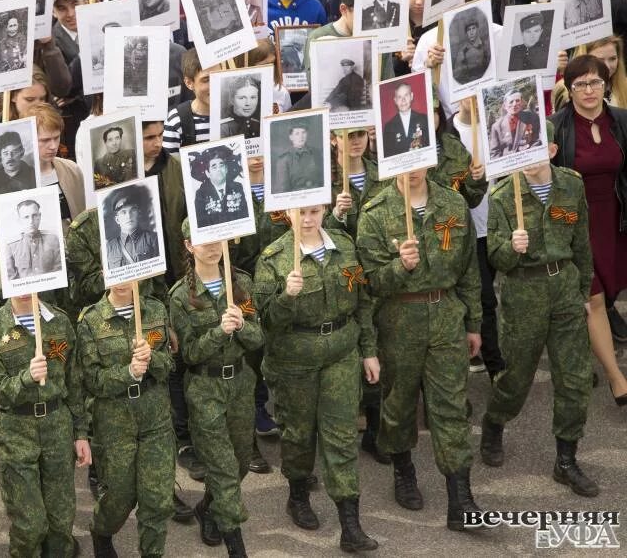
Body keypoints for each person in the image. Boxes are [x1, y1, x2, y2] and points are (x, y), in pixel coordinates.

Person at [356, 166, 483, 531]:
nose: (412, 170)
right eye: (403, 162)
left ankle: (461, 500)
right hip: (400, 319)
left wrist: (473, 323)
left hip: (445, 313)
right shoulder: (376, 211)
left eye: (419, 160)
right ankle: (403, 469)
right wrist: (399, 267)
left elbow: (469, 269)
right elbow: (369, 282)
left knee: (451, 407)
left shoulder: (453, 203)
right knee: (398, 404)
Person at [481, 123, 599, 497]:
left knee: (574, 377)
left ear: (549, 150)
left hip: (564, 285)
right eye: (521, 150)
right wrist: (509, 248)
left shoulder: (571, 186)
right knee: (516, 376)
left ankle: (566, 459)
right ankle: (495, 422)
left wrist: (582, 290)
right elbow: (495, 258)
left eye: (534, 149)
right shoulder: (503, 196)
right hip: (524, 290)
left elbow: (582, 242)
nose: (527, 159)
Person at [253, 204, 380, 551]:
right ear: (288, 214)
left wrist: (368, 350)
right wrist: (286, 297)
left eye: (314, 211)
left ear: (324, 209)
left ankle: (350, 524)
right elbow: (264, 322)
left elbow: (362, 301)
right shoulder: (273, 258)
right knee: (298, 433)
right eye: (301, 213)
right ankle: (297, 494)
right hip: (295, 360)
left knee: (341, 436)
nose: (308, 219)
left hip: (341, 352)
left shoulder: (344, 245)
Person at [168, 218, 261, 555]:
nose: (211, 246)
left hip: (240, 381)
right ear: (189, 246)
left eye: (216, 238)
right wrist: (218, 332)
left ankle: (209, 507)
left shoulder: (241, 285)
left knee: (237, 464)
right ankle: (237, 546)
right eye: (202, 239)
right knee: (222, 468)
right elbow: (188, 353)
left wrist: (240, 326)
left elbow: (258, 335)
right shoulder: (180, 297)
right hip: (205, 387)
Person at [0, 293, 91, 557]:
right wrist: (26, 377)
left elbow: (74, 382)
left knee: (61, 520)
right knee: (30, 524)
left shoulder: (59, 321)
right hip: (17, 427)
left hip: (57, 424)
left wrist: (81, 433)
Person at [549, 55, 627, 407]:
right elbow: (531, 180)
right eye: (580, 83)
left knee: (609, 293)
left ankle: (585, 346)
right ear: (570, 88)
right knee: (592, 297)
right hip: (575, 225)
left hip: (616, 218)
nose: (589, 90)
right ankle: (617, 379)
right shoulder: (555, 127)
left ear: (606, 84)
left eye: (595, 82)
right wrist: (544, 161)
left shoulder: (622, 121)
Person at [77, 282, 174, 557]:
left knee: (157, 499)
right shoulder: (91, 320)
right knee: (121, 496)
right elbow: (92, 381)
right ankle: (101, 531)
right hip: (114, 419)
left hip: (154, 415)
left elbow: (169, 366)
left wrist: (152, 357)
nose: (122, 281)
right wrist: (128, 372)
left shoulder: (154, 310)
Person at [163, 50, 213, 154]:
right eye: (206, 80)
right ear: (189, 83)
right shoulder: (176, 121)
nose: (215, 83)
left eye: (218, 75)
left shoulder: (234, 115)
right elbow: (170, 168)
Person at [190, 146, 250, 227]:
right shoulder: (201, 193)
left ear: (226, 169)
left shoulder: (237, 187)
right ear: (208, 173)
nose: (219, 169)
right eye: (214, 167)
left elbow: (245, 215)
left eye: (221, 165)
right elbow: (200, 223)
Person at [5, 199, 62, 278]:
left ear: (40, 216)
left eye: (34, 215)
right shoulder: (11, 246)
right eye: (26, 217)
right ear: (20, 220)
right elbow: (11, 277)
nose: (31, 221)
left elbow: (59, 270)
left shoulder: (53, 240)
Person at [104, 186, 159, 268]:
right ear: (117, 220)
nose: (128, 216)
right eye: (123, 212)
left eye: (132, 210)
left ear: (139, 213)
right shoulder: (109, 248)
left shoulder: (153, 239)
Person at [488, 89, 542, 159]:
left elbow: (537, 140)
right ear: (505, 106)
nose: (514, 104)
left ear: (521, 102)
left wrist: (531, 156)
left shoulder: (532, 117)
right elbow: (494, 154)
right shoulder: (496, 127)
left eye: (517, 101)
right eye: (511, 102)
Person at [0, 130, 35, 201]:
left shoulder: (34, 175)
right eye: (5, 153)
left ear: (20, 153)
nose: (10, 157)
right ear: (0, 156)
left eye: (14, 152)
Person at [381, 81, 430, 157]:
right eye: (399, 97)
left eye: (406, 95)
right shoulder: (389, 126)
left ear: (411, 96)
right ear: (395, 100)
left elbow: (429, 146)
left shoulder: (424, 119)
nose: (403, 100)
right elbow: (387, 155)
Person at [274, 121, 323, 192]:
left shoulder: (316, 153)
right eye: (297, 133)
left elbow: (322, 180)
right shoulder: (284, 159)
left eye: (303, 132)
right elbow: (282, 190)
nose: (301, 136)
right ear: (291, 137)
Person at [452, 19, 491, 84]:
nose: (471, 32)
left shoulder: (485, 45)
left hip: (487, 79)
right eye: (468, 30)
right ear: (466, 33)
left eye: (473, 28)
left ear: (477, 30)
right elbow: (456, 73)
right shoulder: (462, 50)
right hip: (470, 82)